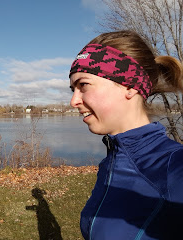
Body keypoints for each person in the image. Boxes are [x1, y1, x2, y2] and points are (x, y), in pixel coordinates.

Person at [69, 30, 183, 240]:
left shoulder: (175, 167)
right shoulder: (111, 162)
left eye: (83, 85)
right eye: (73, 89)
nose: (73, 101)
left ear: (129, 85)